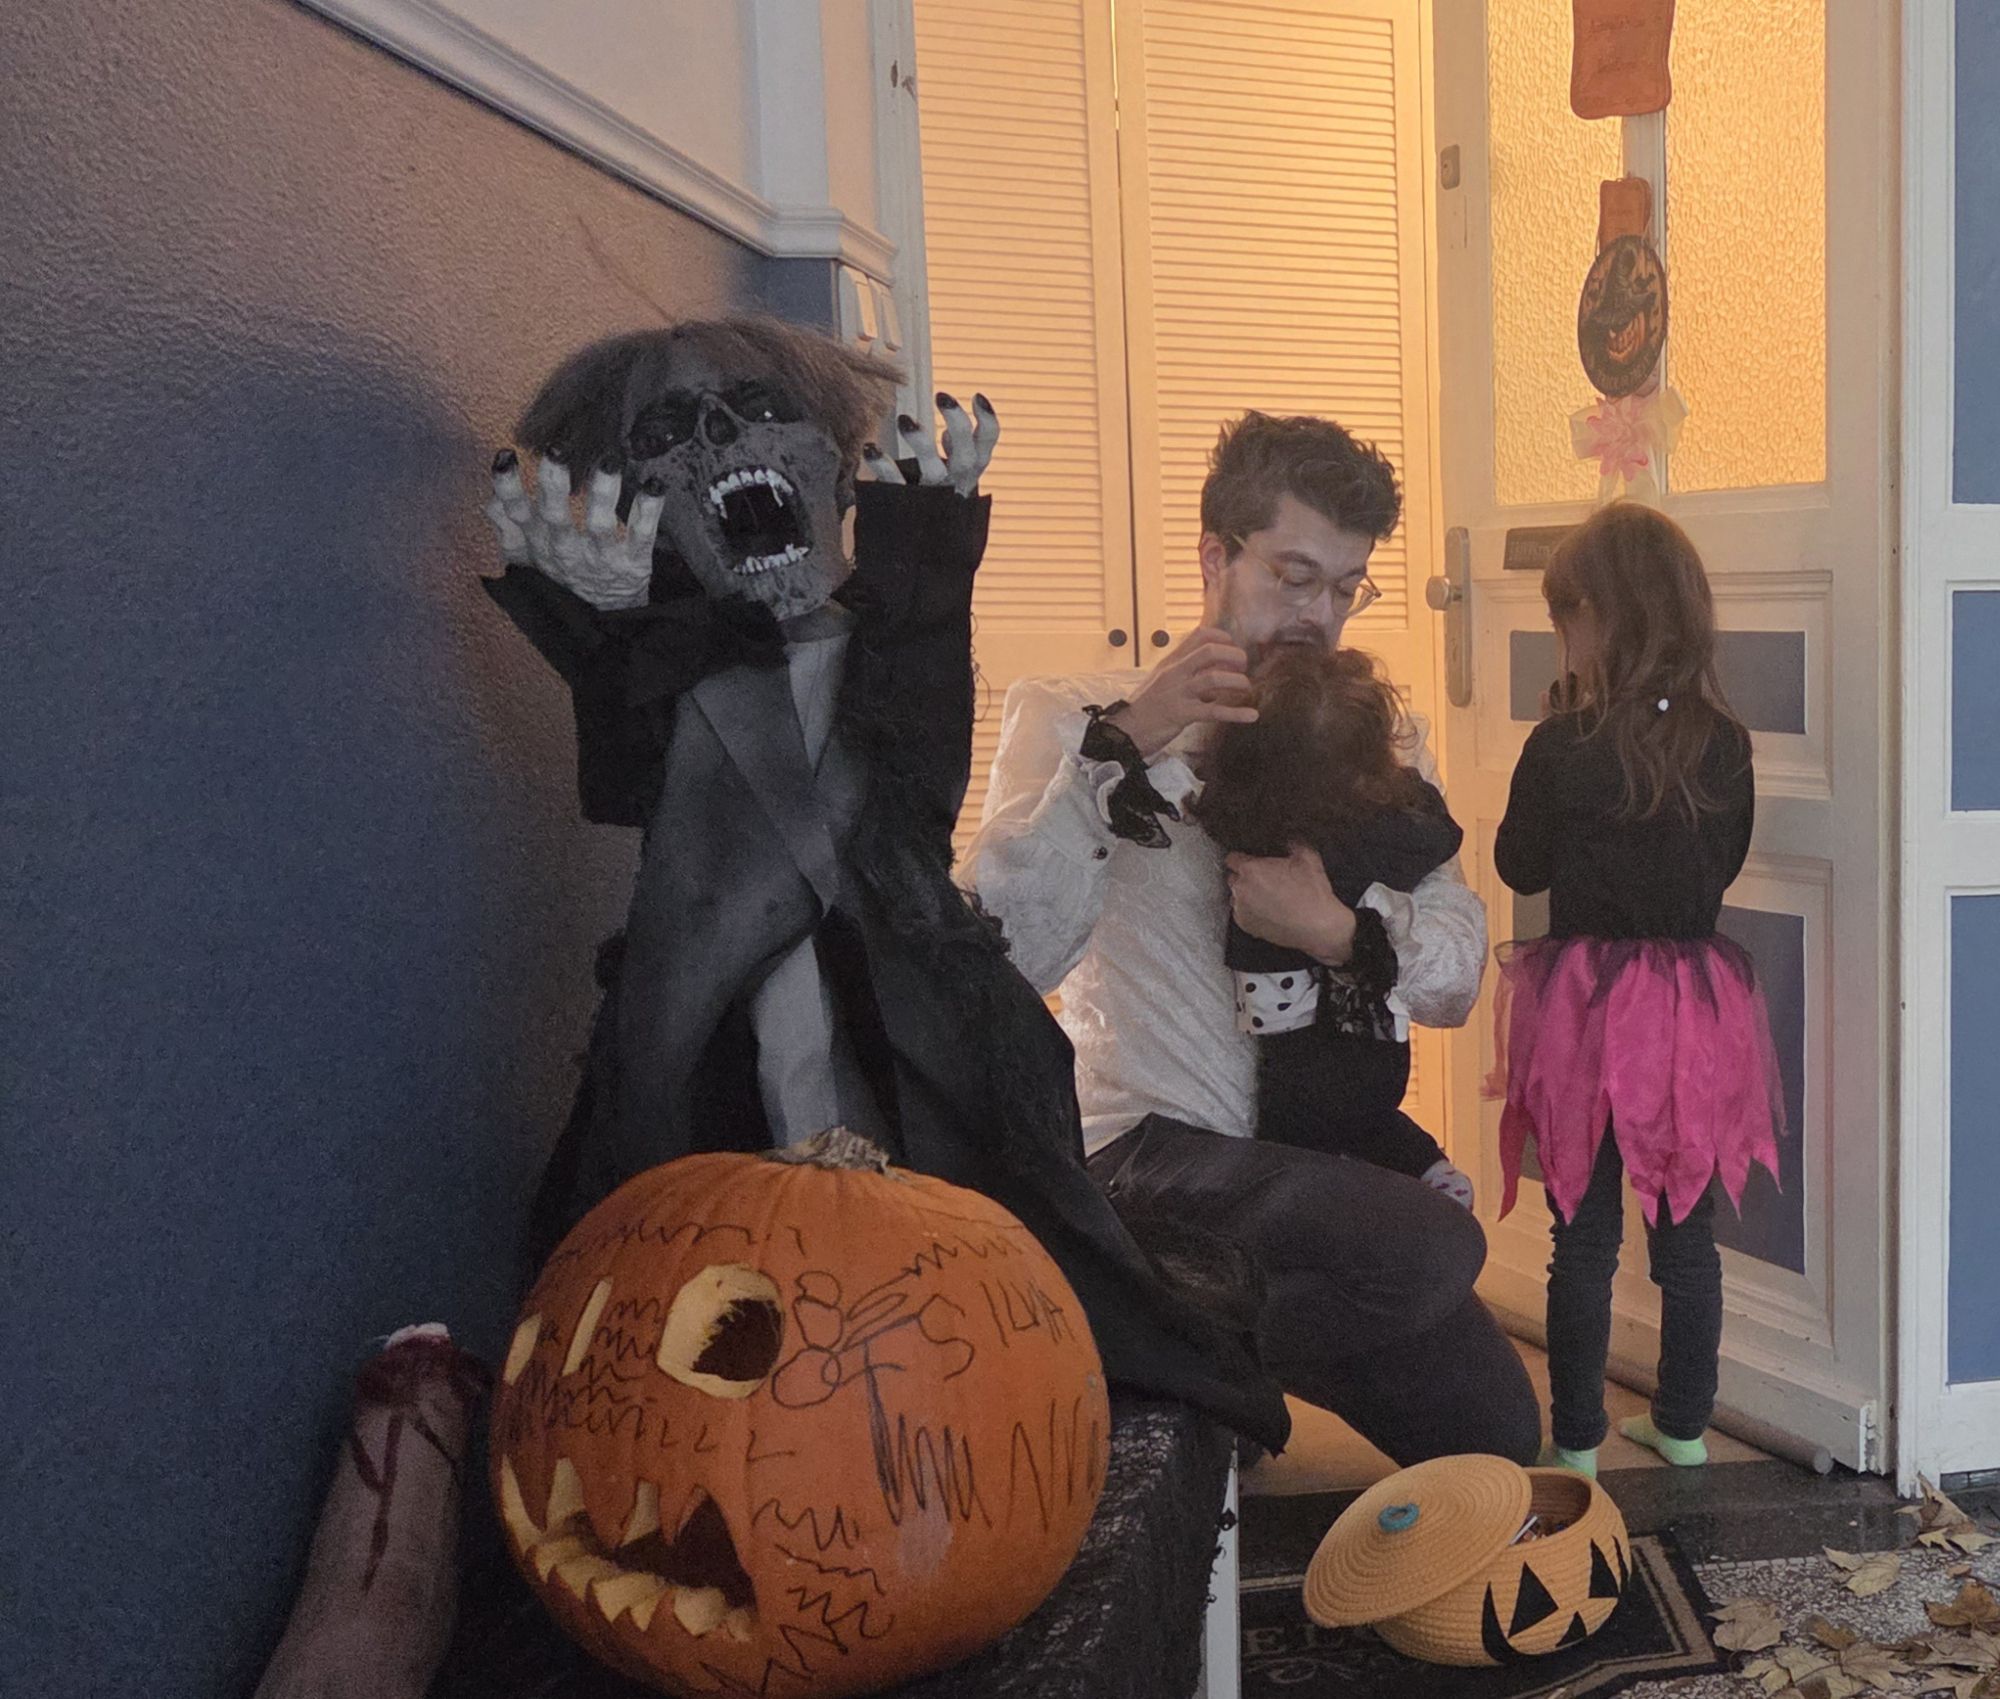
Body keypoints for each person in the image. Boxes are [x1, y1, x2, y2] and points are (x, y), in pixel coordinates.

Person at [962, 411, 1541, 1468]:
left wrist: (1339, 932)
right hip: (1150, 1150)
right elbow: (1001, 957)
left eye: (1346, 587)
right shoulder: (1075, 715)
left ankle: (1155, 1343)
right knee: (1426, 1245)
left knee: (1498, 1434)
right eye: (1293, 576)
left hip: (1318, 1158)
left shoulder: (1370, 735)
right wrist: (1122, 745)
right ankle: (1169, 1343)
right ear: (1214, 557)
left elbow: (1456, 982)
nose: (1319, 616)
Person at [1491, 502, 1783, 1478]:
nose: (1557, 635)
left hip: (1584, 1008)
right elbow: (1724, 862)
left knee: (1581, 1233)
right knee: (1684, 1232)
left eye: (1562, 616)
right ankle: (1684, 1425)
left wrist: (1554, 753)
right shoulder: (1724, 743)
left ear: (1604, 617)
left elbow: (1519, 864)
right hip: (1690, 1011)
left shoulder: (1561, 743)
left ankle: (1575, 1441)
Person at [1193, 646, 1475, 1208]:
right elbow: (1443, 834)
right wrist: (1407, 786)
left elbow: (1210, 806)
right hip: (1364, 991)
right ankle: (1420, 1165)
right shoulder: (1387, 832)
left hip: (1276, 995)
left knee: (1291, 1110)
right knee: (1371, 1099)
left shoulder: (1250, 817)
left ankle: (1339, 1186)